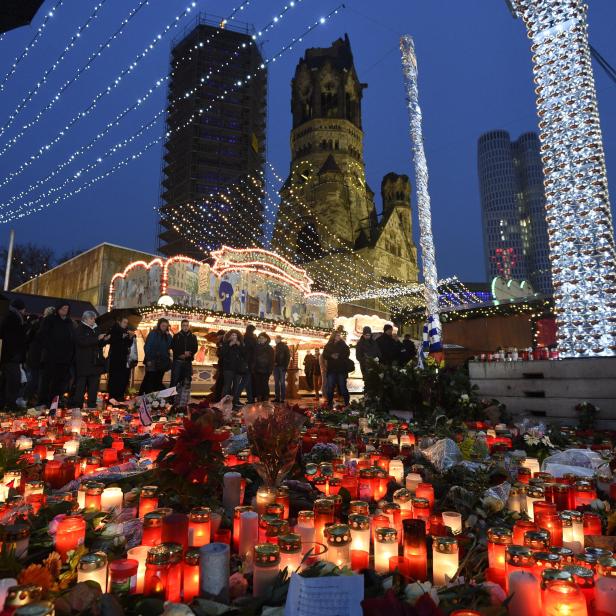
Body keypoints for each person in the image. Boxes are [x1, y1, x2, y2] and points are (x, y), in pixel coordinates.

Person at [39, 301, 76, 407]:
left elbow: (72, 337)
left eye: (67, 308)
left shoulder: (69, 322)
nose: (65, 310)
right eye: (63, 308)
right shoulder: (50, 320)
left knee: (60, 382)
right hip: (51, 357)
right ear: (58, 309)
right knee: (47, 380)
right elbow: (42, 336)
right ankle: (43, 401)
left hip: (64, 358)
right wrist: (51, 348)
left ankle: (55, 402)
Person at [73, 311, 110, 409]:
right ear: (85, 319)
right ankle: (78, 406)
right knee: (81, 386)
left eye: (94, 318)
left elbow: (97, 344)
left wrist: (104, 340)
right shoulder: (80, 329)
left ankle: (92, 405)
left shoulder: (96, 328)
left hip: (95, 362)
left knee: (94, 386)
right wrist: (97, 338)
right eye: (92, 318)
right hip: (84, 362)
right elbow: (82, 342)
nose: (94, 320)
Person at [0, 298, 28, 409]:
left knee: (8, 379)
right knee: (14, 379)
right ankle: (10, 403)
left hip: (9, 354)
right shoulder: (13, 318)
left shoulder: (11, 316)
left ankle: (5, 402)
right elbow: (15, 338)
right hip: (11, 355)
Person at [24, 306, 55, 403]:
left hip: (34, 355)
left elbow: (29, 338)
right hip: (40, 356)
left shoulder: (37, 323)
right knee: (38, 379)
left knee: (34, 379)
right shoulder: (47, 325)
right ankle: (31, 398)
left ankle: (29, 398)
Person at [140, 318, 173, 394]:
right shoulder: (153, 333)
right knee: (149, 379)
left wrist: (169, 336)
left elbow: (171, 346)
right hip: (152, 360)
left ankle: (154, 398)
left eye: (166, 326)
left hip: (162, 362)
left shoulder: (167, 335)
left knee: (158, 380)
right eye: (163, 325)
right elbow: (147, 346)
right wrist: (148, 359)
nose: (164, 327)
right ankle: (143, 396)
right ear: (159, 325)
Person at [107, 316, 136, 401]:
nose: (126, 324)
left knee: (123, 378)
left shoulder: (126, 331)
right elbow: (111, 341)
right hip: (115, 359)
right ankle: (113, 397)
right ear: (119, 322)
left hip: (124, 359)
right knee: (115, 378)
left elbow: (128, 345)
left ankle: (120, 396)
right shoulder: (114, 330)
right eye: (124, 322)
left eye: (127, 323)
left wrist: (130, 337)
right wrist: (121, 337)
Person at [323, 331, 350, 408]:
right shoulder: (328, 345)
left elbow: (347, 353)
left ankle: (347, 403)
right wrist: (331, 355)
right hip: (332, 369)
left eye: (339, 335)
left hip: (341, 369)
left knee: (342, 386)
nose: (339, 336)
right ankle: (329, 403)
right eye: (337, 335)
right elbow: (324, 355)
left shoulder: (343, 345)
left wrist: (339, 355)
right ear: (333, 336)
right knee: (330, 387)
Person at [220, 329, 247, 407]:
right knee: (227, 386)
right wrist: (229, 345)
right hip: (228, 368)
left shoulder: (241, 344)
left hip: (238, 369)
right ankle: (224, 402)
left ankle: (233, 402)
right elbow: (222, 354)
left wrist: (240, 346)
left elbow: (245, 355)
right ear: (229, 336)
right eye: (232, 335)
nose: (234, 337)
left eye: (235, 335)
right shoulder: (226, 344)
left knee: (236, 386)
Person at [170, 319, 198, 389]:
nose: (185, 327)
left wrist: (190, 353)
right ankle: (171, 399)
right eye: (184, 325)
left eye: (187, 325)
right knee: (174, 381)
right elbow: (174, 347)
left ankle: (183, 399)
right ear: (181, 326)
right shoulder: (176, 336)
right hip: (178, 362)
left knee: (186, 382)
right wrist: (182, 353)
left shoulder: (193, 337)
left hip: (188, 362)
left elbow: (195, 348)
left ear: (189, 326)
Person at [253, 332, 274, 401]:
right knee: (258, 384)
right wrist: (253, 368)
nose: (260, 339)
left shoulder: (270, 348)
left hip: (266, 370)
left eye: (262, 338)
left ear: (266, 339)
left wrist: (270, 370)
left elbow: (271, 360)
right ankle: (259, 397)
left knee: (264, 384)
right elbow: (254, 358)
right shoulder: (256, 347)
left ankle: (265, 398)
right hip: (257, 369)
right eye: (259, 338)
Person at [242, 324, 257, 404]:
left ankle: (250, 398)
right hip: (250, 363)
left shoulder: (245, 338)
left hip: (246, 363)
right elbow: (253, 351)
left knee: (246, 382)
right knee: (247, 382)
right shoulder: (252, 338)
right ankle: (250, 398)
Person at [273, 335, 290, 403]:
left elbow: (287, 357)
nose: (275, 340)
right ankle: (277, 397)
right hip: (277, 366)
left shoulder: (284, 346)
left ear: (279, 339)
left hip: (281, 366)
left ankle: (282, 398)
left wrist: (285, 366)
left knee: (281, 382)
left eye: (276, 339)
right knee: (277, 382)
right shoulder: (276, 347)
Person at [211, 329, 226, 402]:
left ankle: (218, 398)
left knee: (221, 383)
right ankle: (218, 397)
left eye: (219, 335)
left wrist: (219, 349)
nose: (218, 337)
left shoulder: (223, 343)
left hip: (223, 366)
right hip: (221, 366)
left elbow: (221, 354)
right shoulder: (220, 343)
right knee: (220, 382)